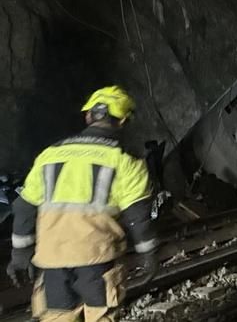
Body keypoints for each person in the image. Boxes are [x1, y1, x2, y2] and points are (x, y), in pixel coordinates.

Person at [6, 86, 159, 322]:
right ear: (123, 121)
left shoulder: (49, 155)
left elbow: (24, 208)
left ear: (88, 116)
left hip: (52, 261)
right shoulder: (125, 161)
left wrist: (20, 254)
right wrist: (148, 254)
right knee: (100, 316)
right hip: (98, 261)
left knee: (57, 317)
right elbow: (138, 217)